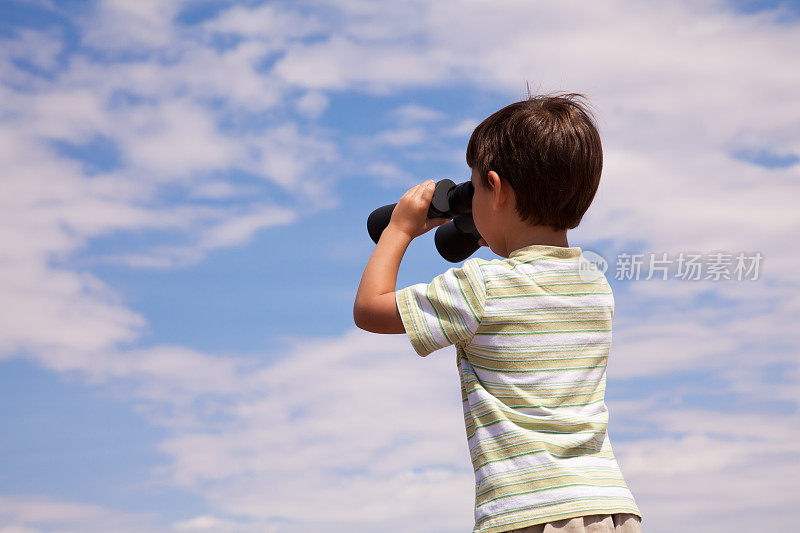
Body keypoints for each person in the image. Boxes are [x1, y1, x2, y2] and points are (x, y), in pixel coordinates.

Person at [353, 92, 643, 533]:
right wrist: (497, 232)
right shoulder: (594, 285)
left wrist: (400, 229)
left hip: (527, 510)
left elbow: (370, 309)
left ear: (497, 189)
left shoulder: (481, 287)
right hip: (608, 506)